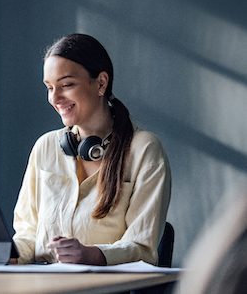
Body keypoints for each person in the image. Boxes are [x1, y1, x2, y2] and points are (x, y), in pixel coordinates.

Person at [12, 34, 171, 266]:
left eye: (66, 85)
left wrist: (92, 255)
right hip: (44, 284)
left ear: (101, 83)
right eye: (49, 87)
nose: (55, 98)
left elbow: (142, 248)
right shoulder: (45, 147)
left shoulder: (145, 149)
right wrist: (9, 254)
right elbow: (28, 233)